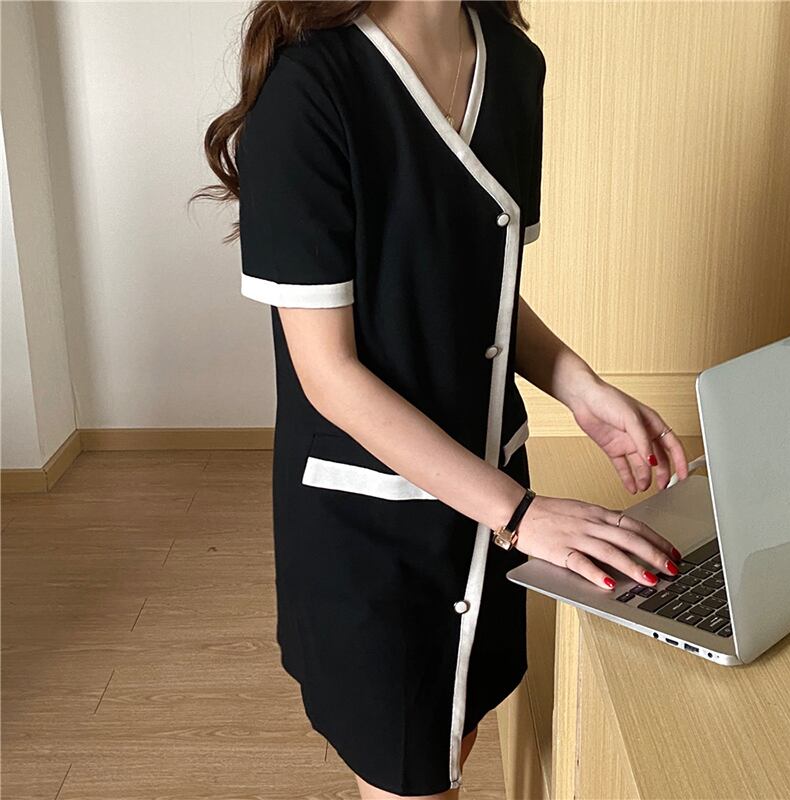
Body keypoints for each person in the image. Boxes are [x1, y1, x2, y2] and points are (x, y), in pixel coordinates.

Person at [193, 2, 689, 797]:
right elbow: (329, 375)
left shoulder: (513, 66)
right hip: (373, 521)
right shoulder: (311, 90)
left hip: (488, 480)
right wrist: (520, 515)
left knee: (454, 732)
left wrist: (580, 387)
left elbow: (480, 284)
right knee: (410, 762)